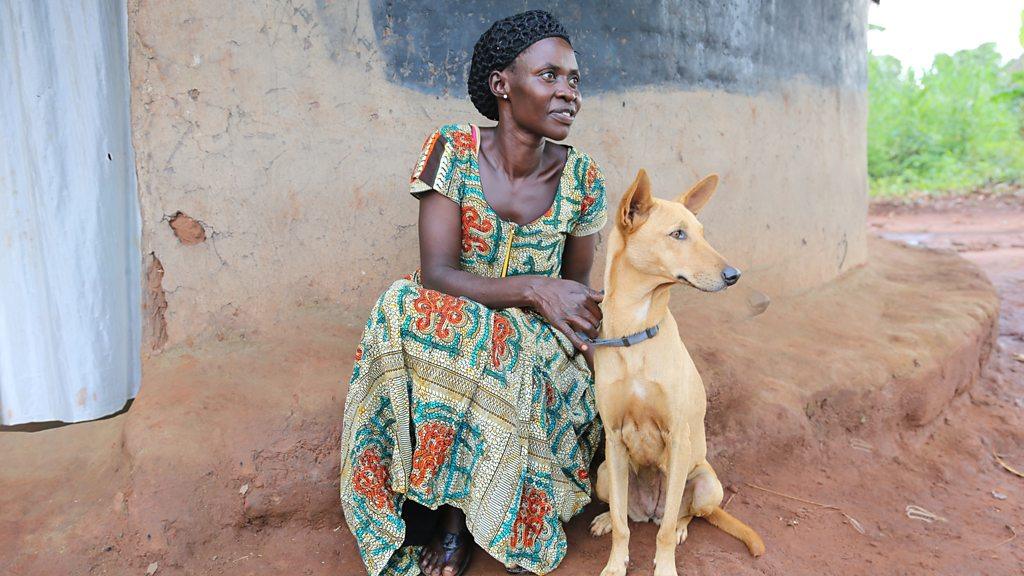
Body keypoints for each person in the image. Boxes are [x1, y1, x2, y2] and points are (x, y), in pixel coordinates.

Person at [339, 10, 607, 576]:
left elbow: (574, 293)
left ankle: (463, 520)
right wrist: (532, 288)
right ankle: (422, 504)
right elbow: (437, 273)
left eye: (574, 80)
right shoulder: (452, 150)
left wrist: (568, 324)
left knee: (506, 345)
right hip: (455, 312)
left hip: (532, 344)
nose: (568, 94)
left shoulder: (582, 180)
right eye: (550, 76)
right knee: (404, 306)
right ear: (502, 86)